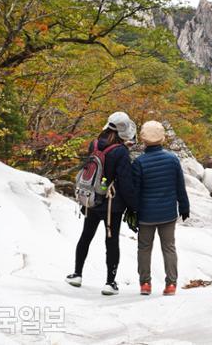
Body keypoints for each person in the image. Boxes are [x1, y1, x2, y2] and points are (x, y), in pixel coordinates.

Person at [66, 112, 138, 295]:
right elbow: (125, 181)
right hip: (111, 205)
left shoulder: (94, 143)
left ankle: (77, 274)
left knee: (86, 236)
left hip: (90, 199)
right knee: (111, 242)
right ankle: (109, 283)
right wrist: (134, 207)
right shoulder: (121, 151)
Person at [132, 120, 190, 296]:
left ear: (143, 139)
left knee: (144, 248)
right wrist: (184, 207)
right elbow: (180, 186)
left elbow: (135, 192)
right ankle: (171, 285)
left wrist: (133, 214)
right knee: (169, 247)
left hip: (146, 214)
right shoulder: (172, 159)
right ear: (162, 138)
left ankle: (145, 284)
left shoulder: (139, 162)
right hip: (167, 213)